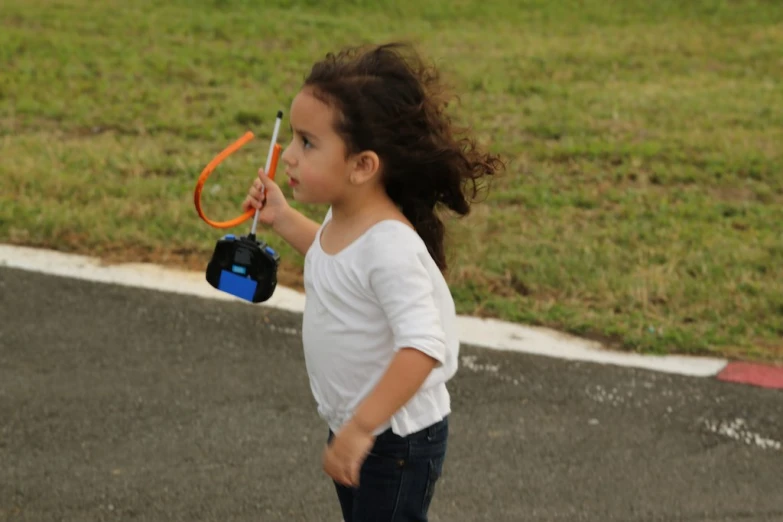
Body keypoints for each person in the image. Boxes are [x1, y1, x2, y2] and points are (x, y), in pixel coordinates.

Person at [241, 41, 503, 522]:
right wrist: (281, 216)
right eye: (294, 139)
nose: (289, 157)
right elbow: (332, 256)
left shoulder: (389, 245)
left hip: (394, 437)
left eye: (307, 143)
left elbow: (423, 347)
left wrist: (362, 429)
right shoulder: (346, 220)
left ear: (363, 165)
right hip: (360, 428)